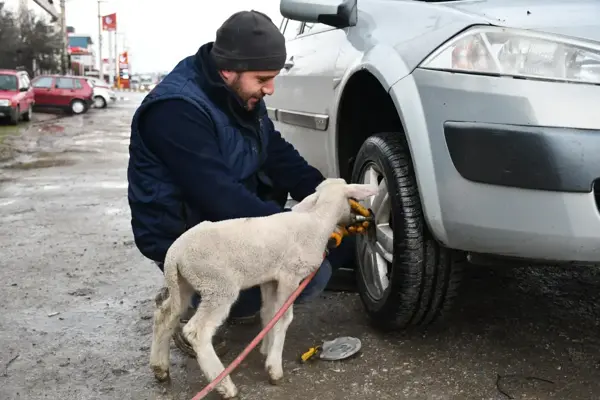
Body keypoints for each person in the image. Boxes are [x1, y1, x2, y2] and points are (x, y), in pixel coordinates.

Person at [126, 10, 355, 357]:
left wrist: (330, 200)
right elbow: (218, 194)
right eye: (263, 78)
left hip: (226, 218)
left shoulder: (240, 95)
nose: (270, 89)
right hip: (189, 234)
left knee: (337, 242)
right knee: (311, 273)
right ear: (228, 69)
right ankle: (186, 301)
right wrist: (295, 235)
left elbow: (279, 155)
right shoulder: (175, 110)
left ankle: (231, 300)